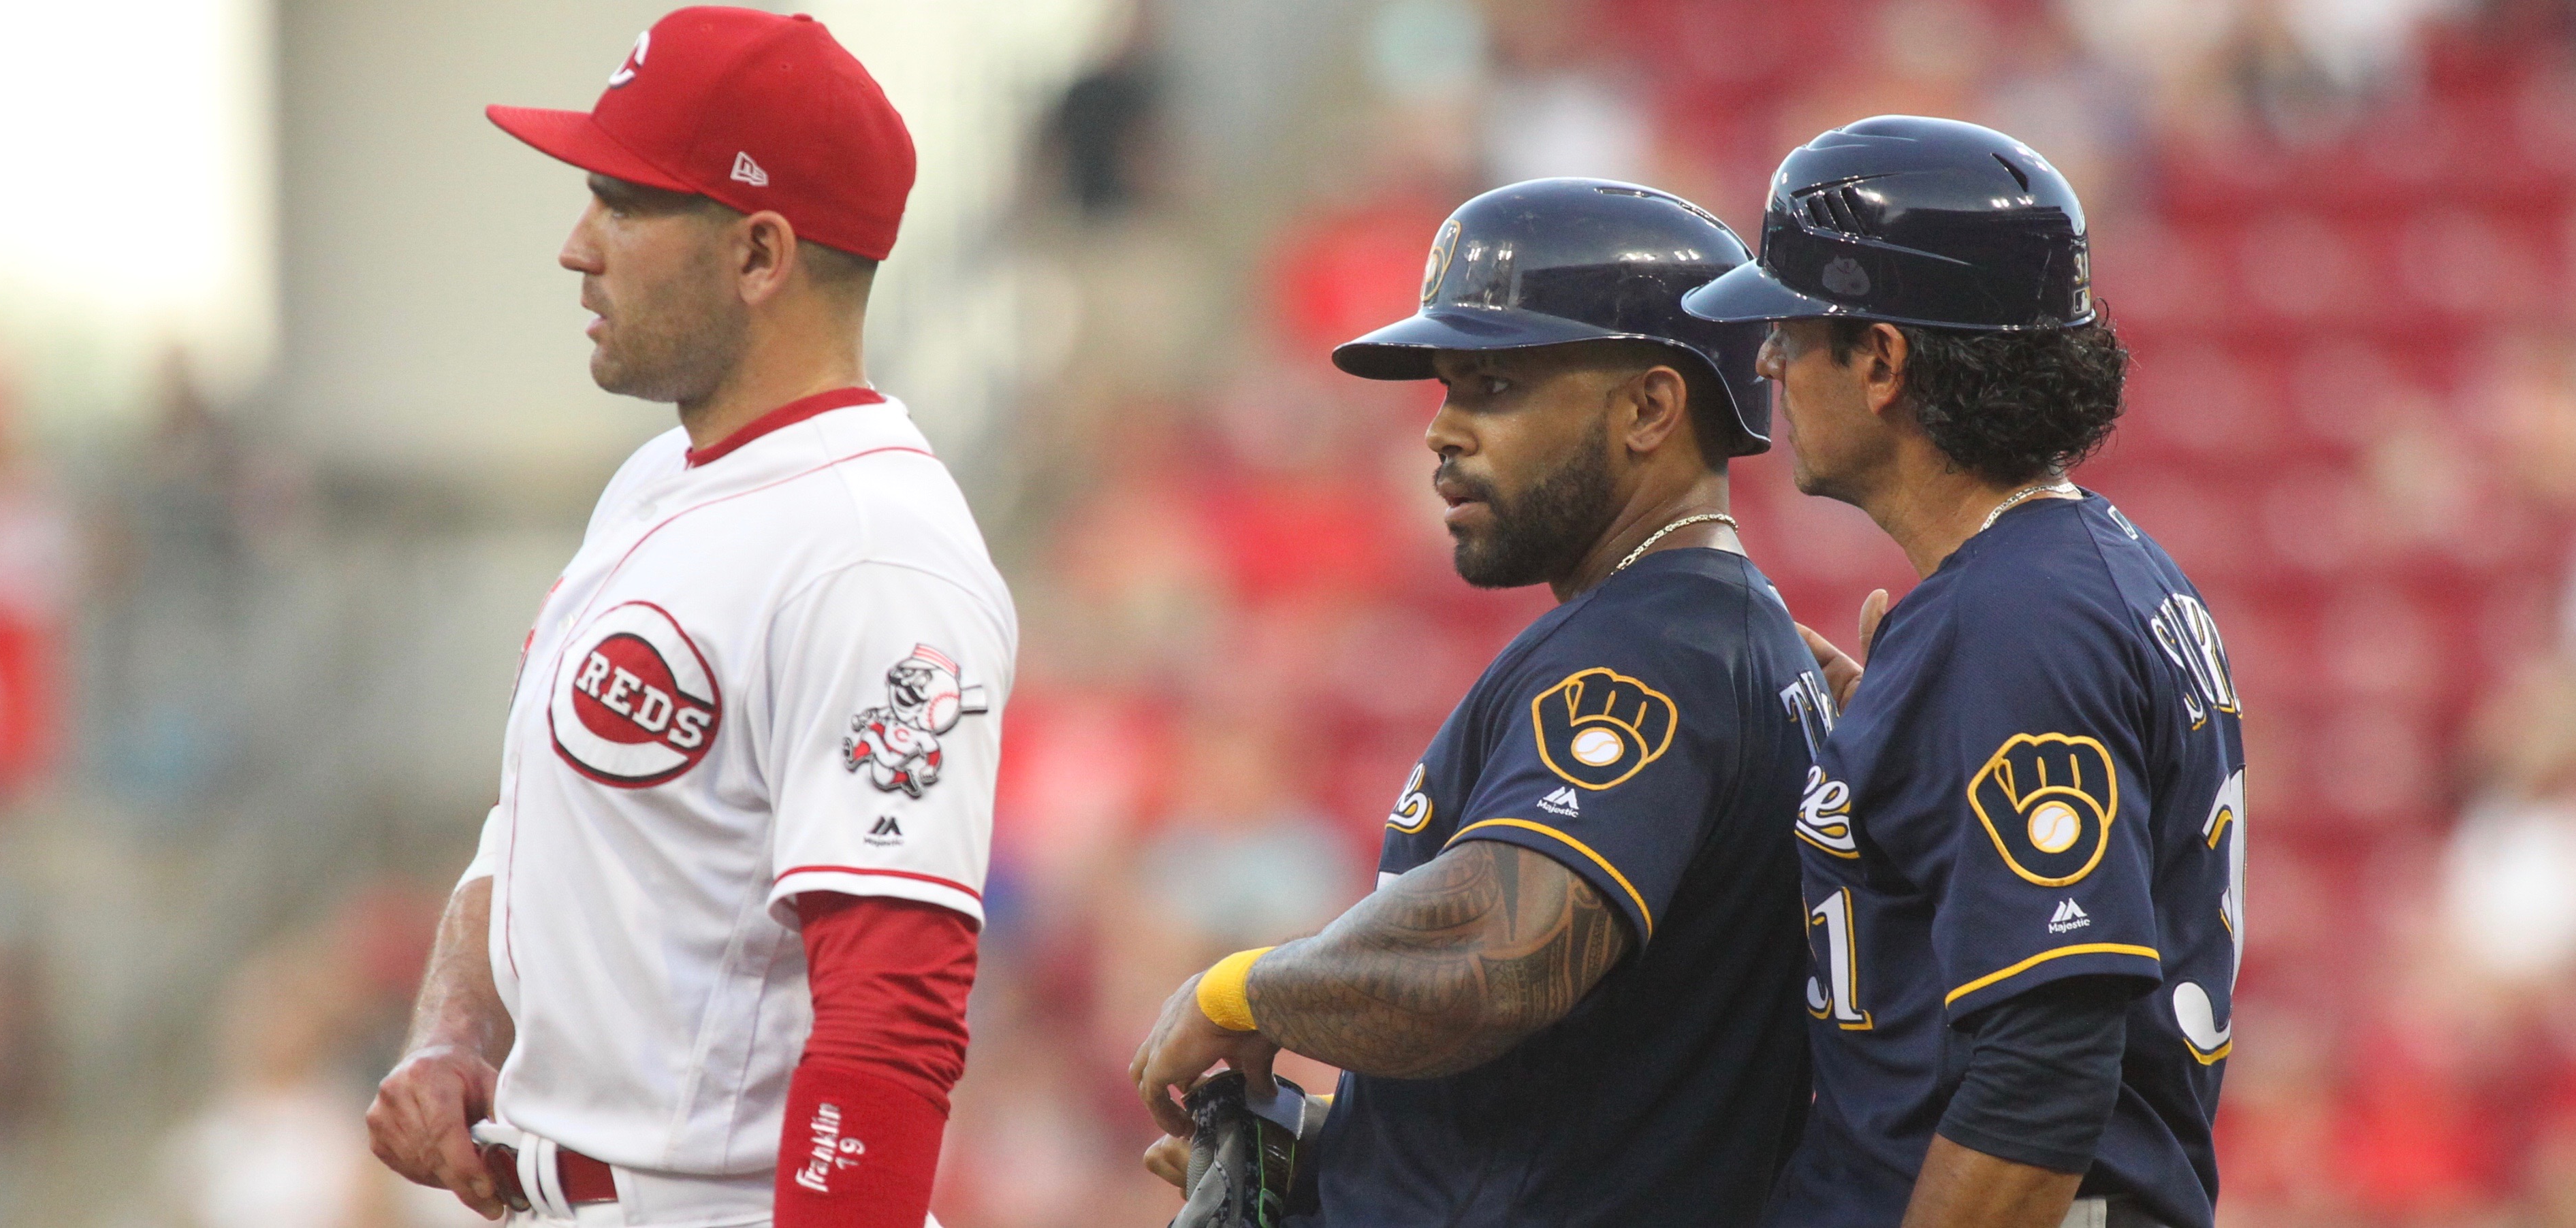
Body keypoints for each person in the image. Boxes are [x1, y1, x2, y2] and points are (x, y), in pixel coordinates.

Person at [361, 10, 1015, 1228]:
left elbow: (892, 1019)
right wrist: (457, 1027)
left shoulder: (875, 551)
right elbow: (535, 822)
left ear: (761, 254)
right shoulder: (661, 480)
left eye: (622, 200)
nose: (576, 246)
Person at [1127, 178, 1824, 1227]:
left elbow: (1500, 956)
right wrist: (1341, 1158)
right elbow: (1600, 1091)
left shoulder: (1652, 649)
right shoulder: (1714, 631)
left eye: (1493, 385)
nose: (1441, 431)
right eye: (1448, 388)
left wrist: (1241, 989)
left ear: (1649, 407)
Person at [1683, 116, 2244, 1228]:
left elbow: (2041, 1084)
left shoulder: (2017, 623)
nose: (1766, 360)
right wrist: (1901, 740)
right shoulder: (2069, 578)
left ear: (1883, 360)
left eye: (1793, 329)